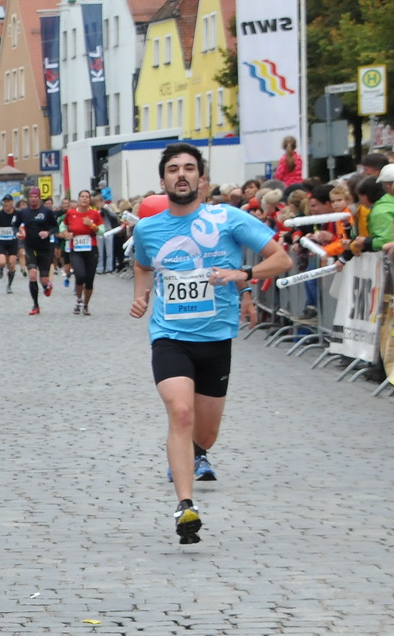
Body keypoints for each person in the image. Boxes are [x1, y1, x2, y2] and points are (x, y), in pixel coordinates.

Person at [129, 143, 289, 544]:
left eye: (189, 168)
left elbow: (281, 259)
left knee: (206, 433)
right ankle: (186, 505)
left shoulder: (228, 219)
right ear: (163, 180)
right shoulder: (148, 229)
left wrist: (243, 275)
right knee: (180, 413)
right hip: (170, 336)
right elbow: (143, 264)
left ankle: (194, 453)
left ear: (201, 179)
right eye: (173, 169)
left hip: (216, 338)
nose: (181, 174)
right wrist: (141, 295)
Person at [15, 184, 58, 314]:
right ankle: (35, 305)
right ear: (29, 198)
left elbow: (55, 227)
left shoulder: (47, 212)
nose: (33, 199)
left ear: (39, 198)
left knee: (43, 279)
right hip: (30, 247)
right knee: (32, 274)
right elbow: (15, 225)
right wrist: (17, 232)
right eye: (31, 197)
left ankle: (46, 286)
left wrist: (47, 233)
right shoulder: (23, 212)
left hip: (45, 248)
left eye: (35, 197)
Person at [61, 189, 104, 315]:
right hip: (76, 249)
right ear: (78, 199)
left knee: (89, 279)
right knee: (80, 275)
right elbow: (62, 225)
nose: (84, 199)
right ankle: (79, 300)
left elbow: (102, 231)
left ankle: (86, 305)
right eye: (82, 196)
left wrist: (91, 225)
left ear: (90, 200)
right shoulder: (71, 213)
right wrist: (65, 233)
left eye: (87, 197)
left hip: (91, 249)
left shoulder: (94, 214)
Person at [0, 194, 20, 292]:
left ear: (12, 202)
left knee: (11, 264)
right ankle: (1, 269)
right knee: (2, 262)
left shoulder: (17, 214)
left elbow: (22, 225)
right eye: (5, 202)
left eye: (8, 201)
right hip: (1, 242)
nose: (6, 204)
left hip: (13, 242)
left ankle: (9, 285)